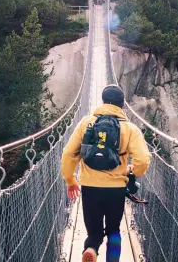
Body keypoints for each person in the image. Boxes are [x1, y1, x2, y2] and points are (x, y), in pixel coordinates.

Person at [61, 85, 151, 262]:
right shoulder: (130, 129)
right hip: (116, 189)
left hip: (90, 187)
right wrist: (133, 171)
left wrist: (70, 179)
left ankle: (92, 249)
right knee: (114, 231)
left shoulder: (86, 123)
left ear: (102, 102)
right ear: (123, 104)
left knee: (94, 232)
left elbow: (68, 153)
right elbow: (143, 159)